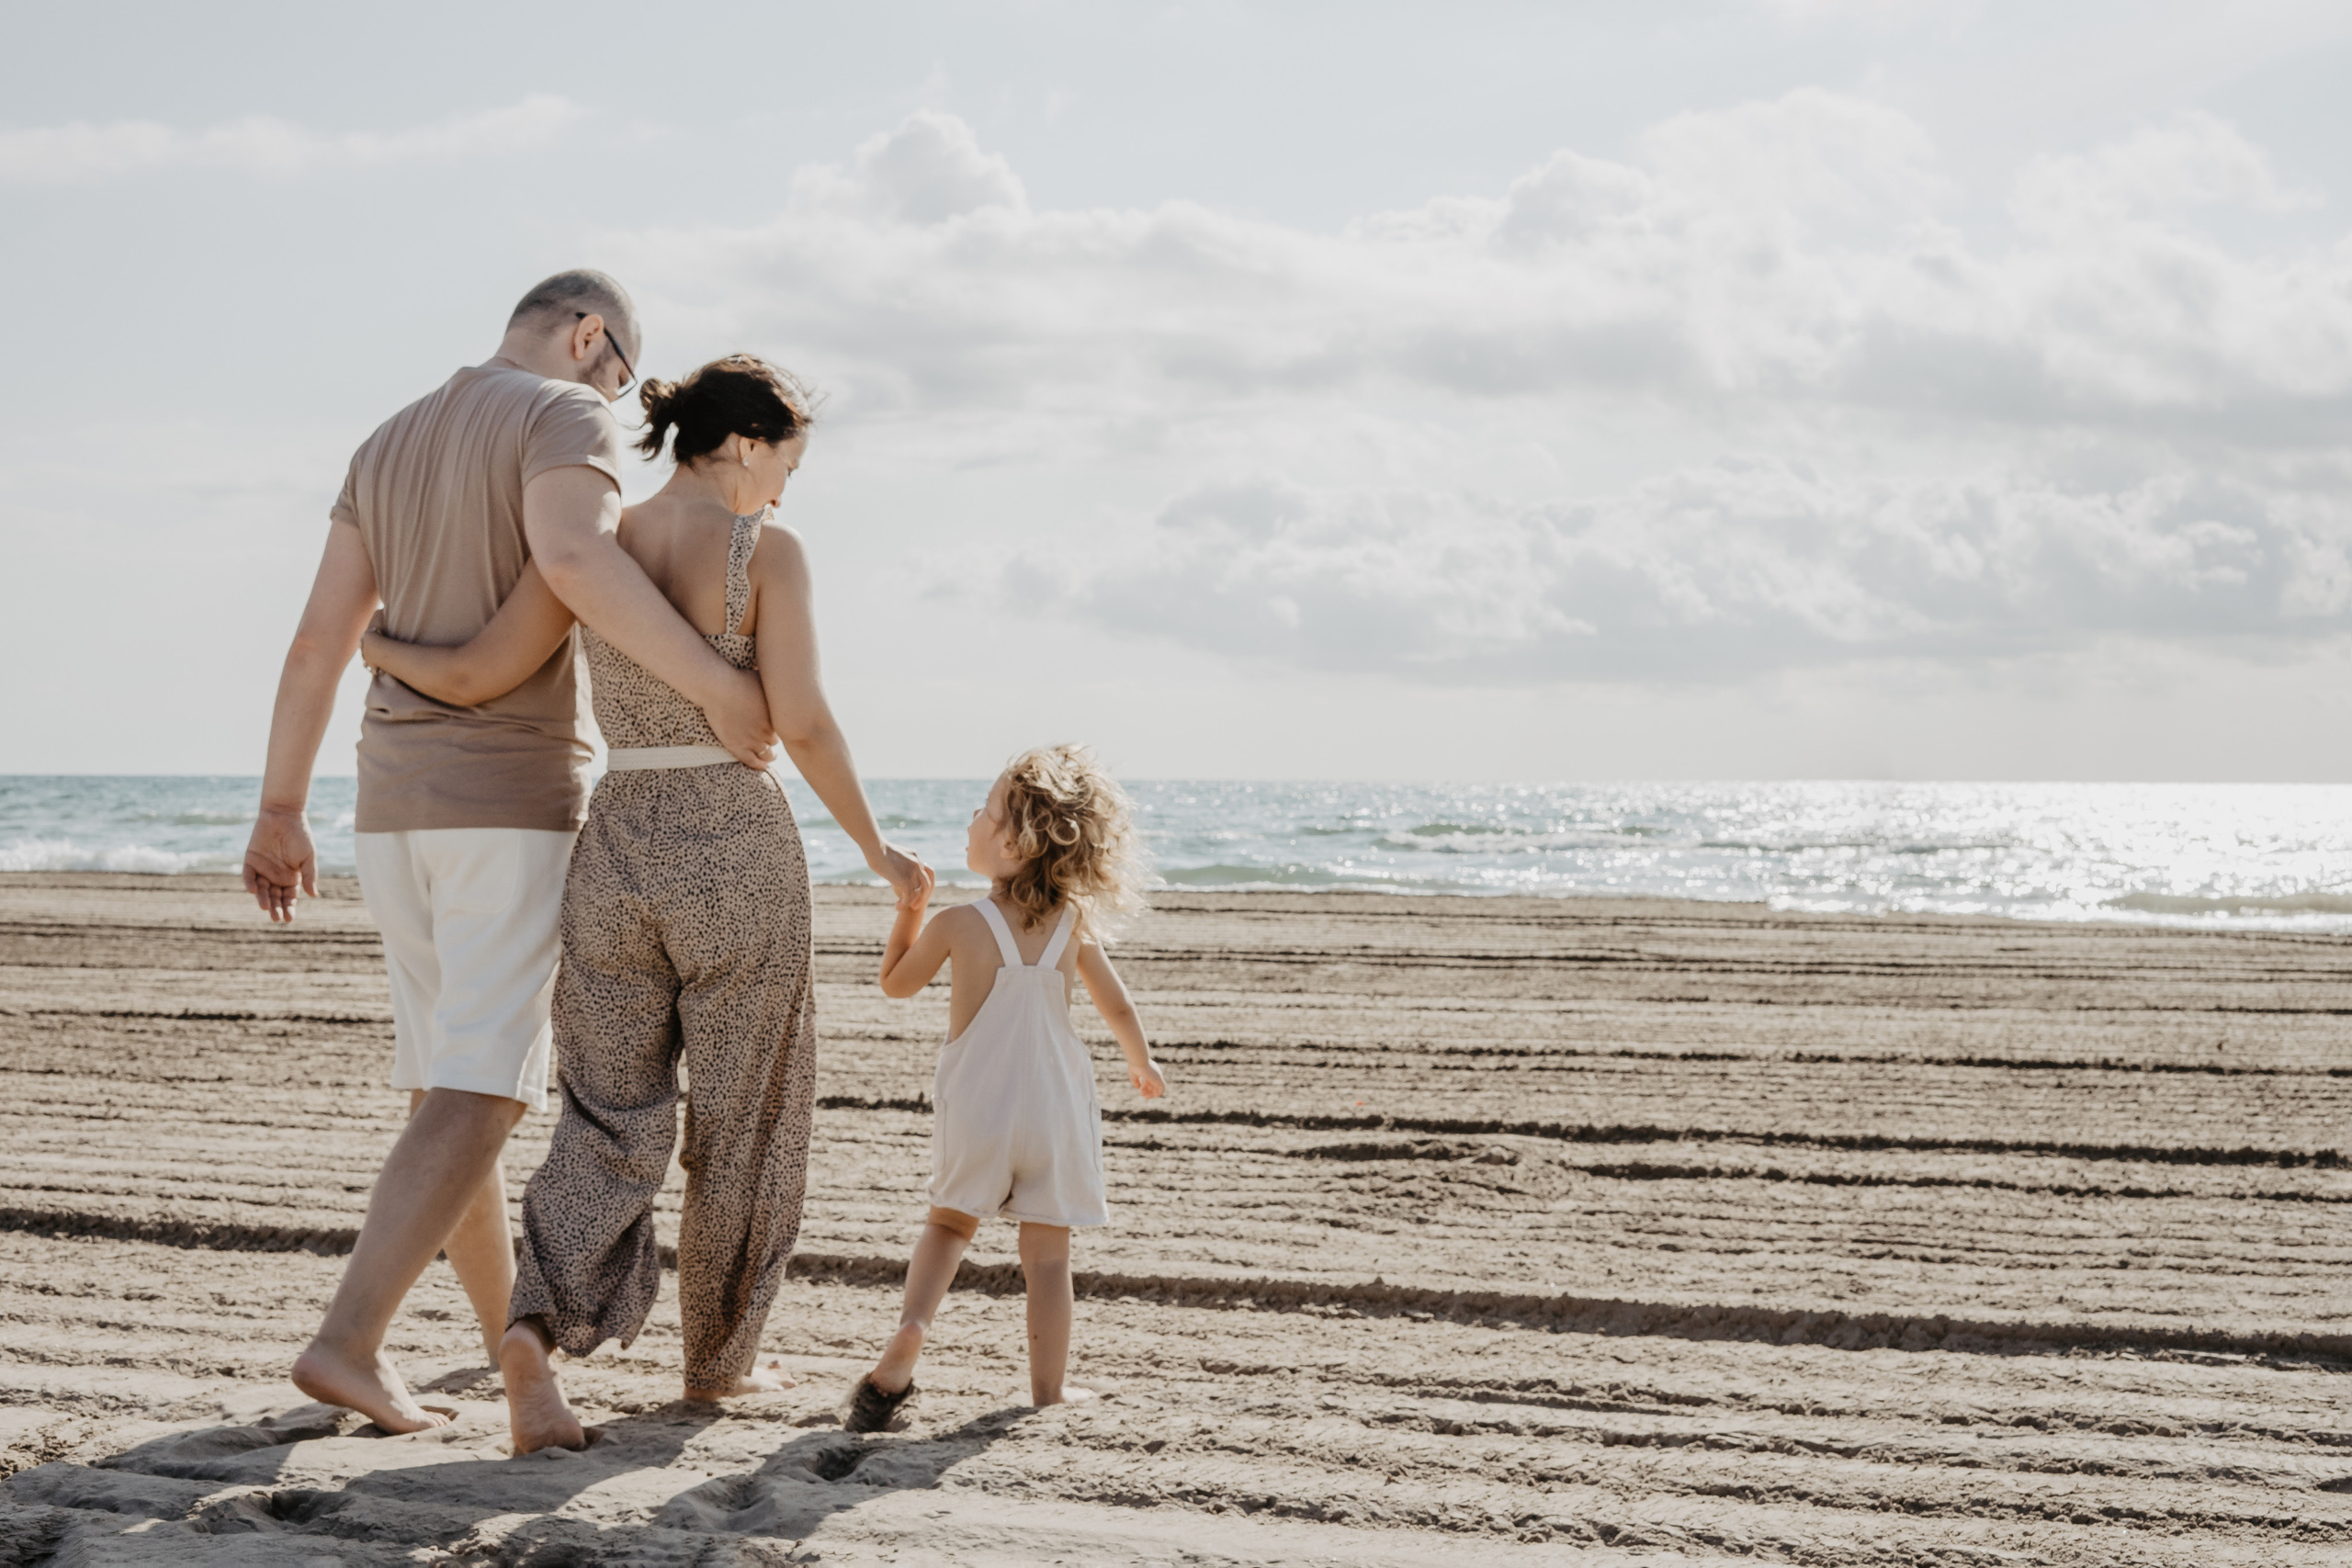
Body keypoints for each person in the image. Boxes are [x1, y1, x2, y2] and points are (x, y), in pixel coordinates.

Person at [243, 271, 786, 1436]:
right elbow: (578, 563)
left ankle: (512, 1359)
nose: (621, 402)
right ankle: (348, 1342)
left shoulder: (387, 439)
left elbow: (316, 642)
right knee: (483, 1090)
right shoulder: (566, 412)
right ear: (590, 337)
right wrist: (719, 687)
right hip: (505, 799)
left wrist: (279, 807)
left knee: (449, 1084)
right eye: (623, 375)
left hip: (389, 805)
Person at [362, 353, 927, 1453]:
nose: (785, 491)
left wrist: (376, 640)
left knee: (607, 1113)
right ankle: (719, 1363)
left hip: (616, 839)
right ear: (747, 445)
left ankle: (531, 1327)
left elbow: (482, 670)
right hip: (733, 844)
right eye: (789, 463)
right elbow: (803, 722)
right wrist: (877, 849)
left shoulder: (594, 544)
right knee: (747, 1119)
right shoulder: (767, 552)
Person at [843, 746, 1165, 1433]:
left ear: (1014, 845)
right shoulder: (1074, 925)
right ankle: (1050, 1390)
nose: (972, 817)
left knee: (948, 1223)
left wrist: (910, 909)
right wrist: (1141, 1062)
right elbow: (1118, 1006)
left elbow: (895, 983)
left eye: (985, 811)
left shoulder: (957, 923)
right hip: (1053, 1111)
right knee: (1048, 1257)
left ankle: (913, 1327)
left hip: (977, 1109)